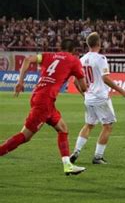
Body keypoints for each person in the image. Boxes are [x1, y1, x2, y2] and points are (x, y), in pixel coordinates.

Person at [0, 39, 88, 175]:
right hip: (45, 102)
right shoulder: (74, 60)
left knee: (63, 128)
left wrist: (20, 81)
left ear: (60, 48)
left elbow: (27, 60)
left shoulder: (49, 55)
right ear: (74, 51)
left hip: (40, 97)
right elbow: (83, 87)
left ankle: (67, 165)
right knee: (25, 136)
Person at [70, 32, 125, 165]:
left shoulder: (81, 60)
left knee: (89, 125)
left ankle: (76, 151)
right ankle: (98, 157)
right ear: (99, 44)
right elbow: (105, 78)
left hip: (89, 98)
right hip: (100, 97)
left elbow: (76, 82)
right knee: (108, 126)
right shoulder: (100, 59)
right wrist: (123, 92)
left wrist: (85, 95)